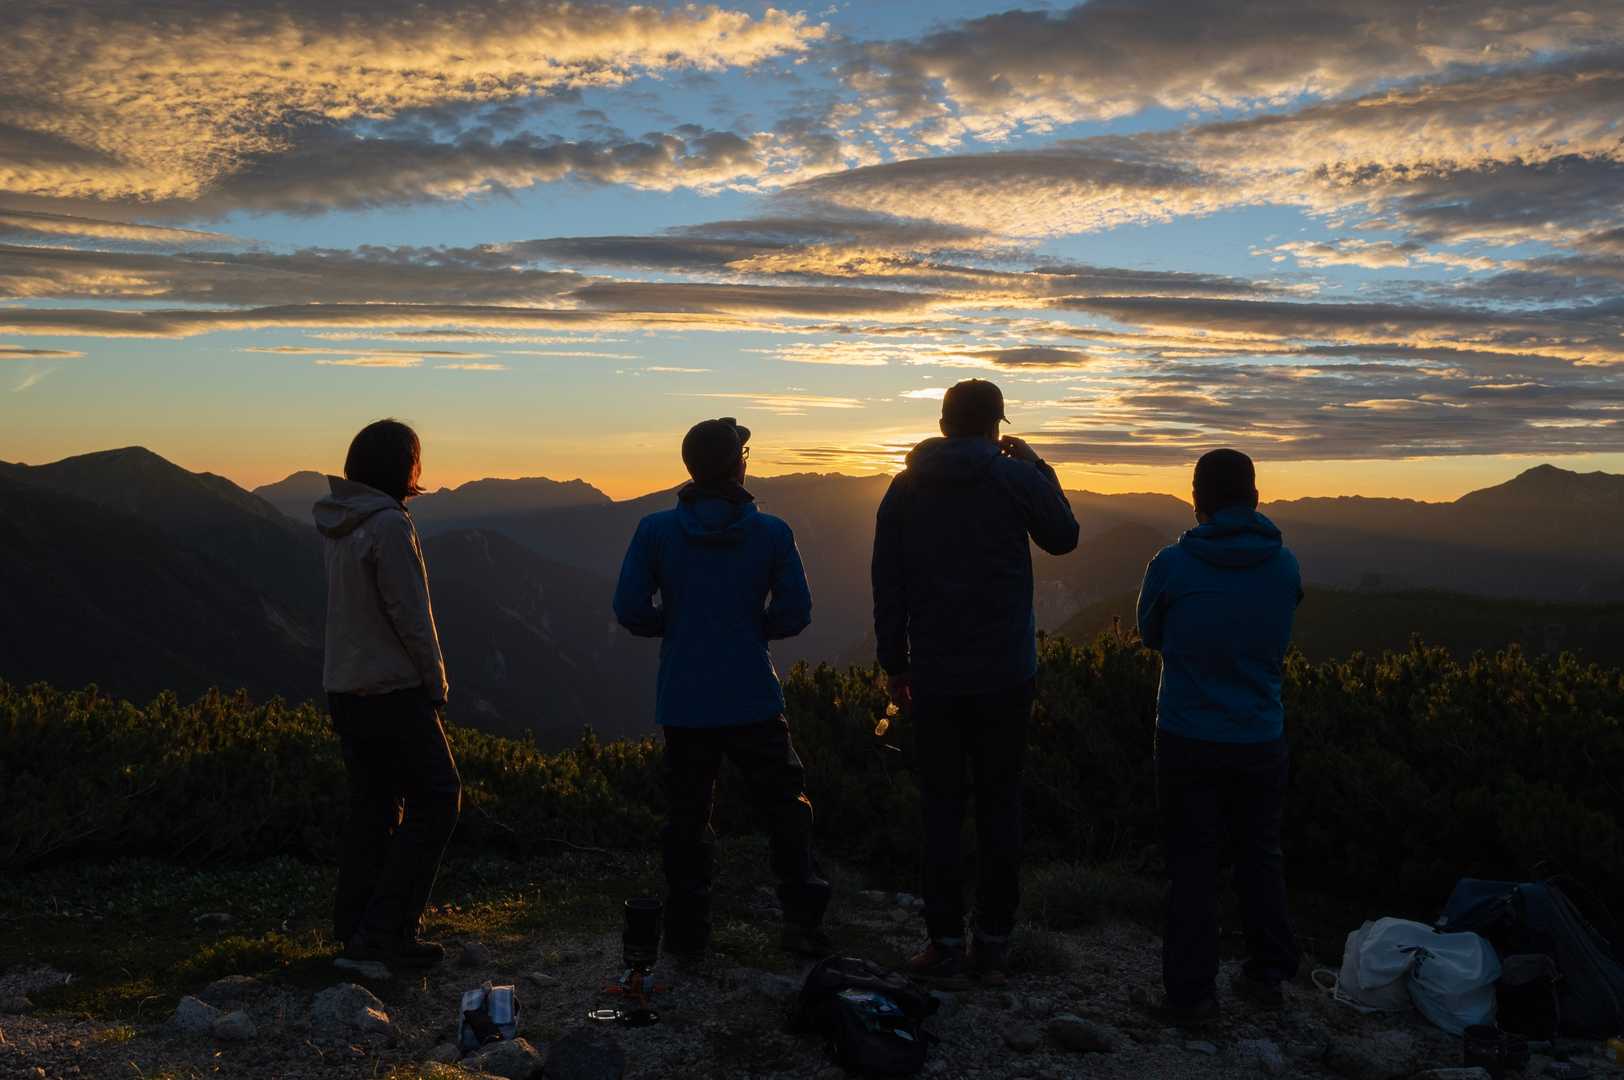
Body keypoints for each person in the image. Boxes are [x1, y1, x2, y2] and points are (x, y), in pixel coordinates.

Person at [872, 379, 1080, 987]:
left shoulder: (904, 486)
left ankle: (942, 944)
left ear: (943, 425)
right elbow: (1064, 537)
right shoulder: (1014, 477)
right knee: (999, 804)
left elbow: (887, 581)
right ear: (996, 427)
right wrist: (1038, 465)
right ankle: (992, 943)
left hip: (934, 673)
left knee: (940, 808)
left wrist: (895, 663)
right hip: (1006, 672)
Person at [613, 417, 831, 960]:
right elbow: (795, 613)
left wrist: (679, 624)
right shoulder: (772, 533)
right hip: (753, 693)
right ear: (738, 466)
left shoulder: (655, 531)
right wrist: (749, 628)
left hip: (684, 697)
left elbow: (631, 609)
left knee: (687, 819)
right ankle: (802, 924)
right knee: (785, 809)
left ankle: (687, 937)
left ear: (690, 467)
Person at [1135, 448, 1302, 1023]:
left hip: (1187, 734)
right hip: (1260, 733)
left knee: (1192, 863)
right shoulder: (1285, 566)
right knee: (1260, 854)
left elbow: (1149, 633)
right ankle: (1268, 973)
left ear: (1196, 501)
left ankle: (1191, 996)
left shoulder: (1171, 565)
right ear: (1254, 499)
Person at [315, 418, 460, 967]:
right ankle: (386, 933)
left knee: (373, 806)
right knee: (438, 797)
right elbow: (410, 614)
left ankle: (355, 928)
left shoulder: (339, 522)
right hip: (391, 688)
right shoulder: (389, 525)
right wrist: (435, 682)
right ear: (405, 466)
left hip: (344, 685)